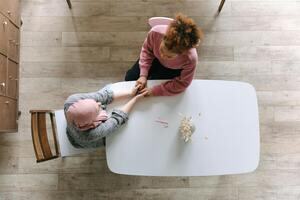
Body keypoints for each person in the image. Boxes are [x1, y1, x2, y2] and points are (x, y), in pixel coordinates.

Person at [125, 13, 203, 96]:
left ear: (182, 53)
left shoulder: (190, 59)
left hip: (173, 69)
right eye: (161, 50)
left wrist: (155, 91)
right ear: (163, 38)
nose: (163, 56)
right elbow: (147, 51)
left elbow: (183, 83)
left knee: (153, 83)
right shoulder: (155, 33)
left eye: (169, 56)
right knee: (130, 78)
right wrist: (143, 75)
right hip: (154, 58)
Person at [64, 85, 147, 148]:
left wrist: (130, 93)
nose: (99, 103)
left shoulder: (71, 101)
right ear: (90, 122)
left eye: (93, 102)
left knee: (109, 87)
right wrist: (135, 99)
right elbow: (117, 119)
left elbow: (103, 96)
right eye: (97, 111)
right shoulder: (89, 135)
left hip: (73, 129)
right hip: (83, 142)